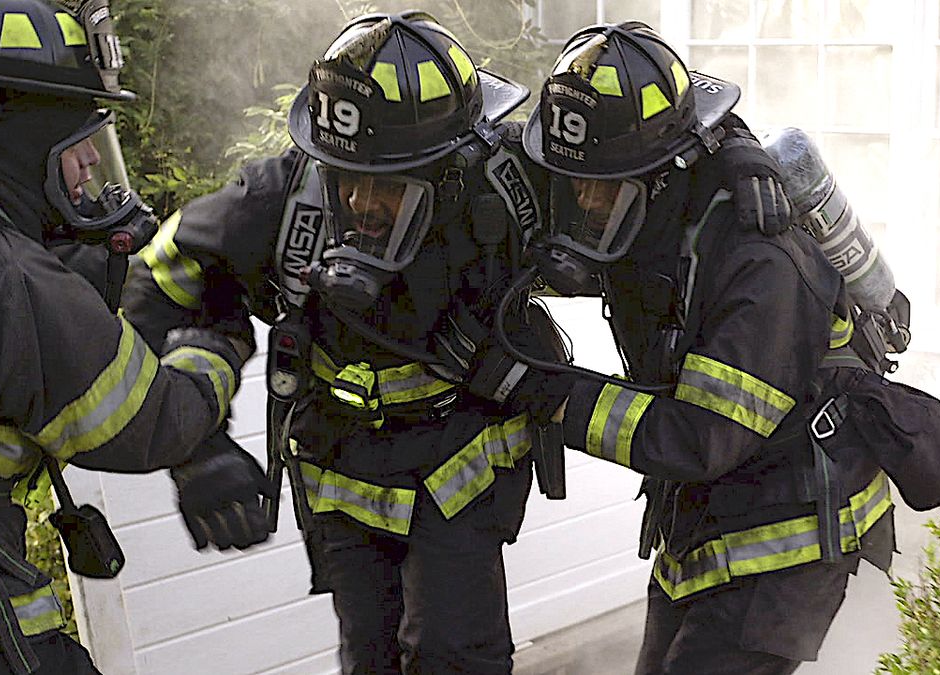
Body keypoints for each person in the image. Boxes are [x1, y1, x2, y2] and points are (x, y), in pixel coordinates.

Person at [122, 11, 566, 674]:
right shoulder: (276, 200)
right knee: (369, 659)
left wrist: (737, 158)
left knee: (455, 653)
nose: (361, 201)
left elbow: (634, 151)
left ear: (451, 168)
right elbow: (152, 286)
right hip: (342, 484)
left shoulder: (500, 184)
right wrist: (194, 445)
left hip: (461, 476)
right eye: (344, 176)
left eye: (389, 184)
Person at [515, 22, 897, 674]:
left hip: (792, 539)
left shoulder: (764, 261)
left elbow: (697, 437)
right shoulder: (647, 199)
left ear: (664, 172)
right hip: (706, 521)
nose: (584, 199)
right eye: (575, 182)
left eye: (604, 185)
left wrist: (542, 390)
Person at [0, 1, 272, 673]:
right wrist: (212, 341)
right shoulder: (14, 280)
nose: (90, 164)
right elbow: (151, 420)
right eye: (73, 138)